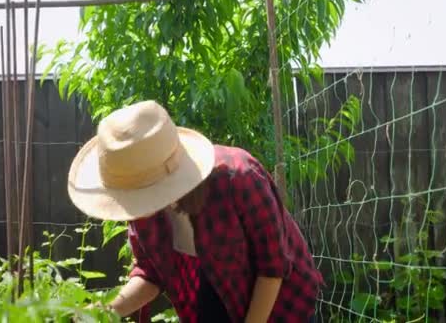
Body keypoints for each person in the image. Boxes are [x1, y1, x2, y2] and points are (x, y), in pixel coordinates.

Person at [67, 100, 323, 322]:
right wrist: (100, 312)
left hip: (279, 305)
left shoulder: (239, 178)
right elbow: (150, 274)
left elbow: (272, 269)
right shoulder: (138, 194)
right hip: (209, 293)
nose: (134, 210)